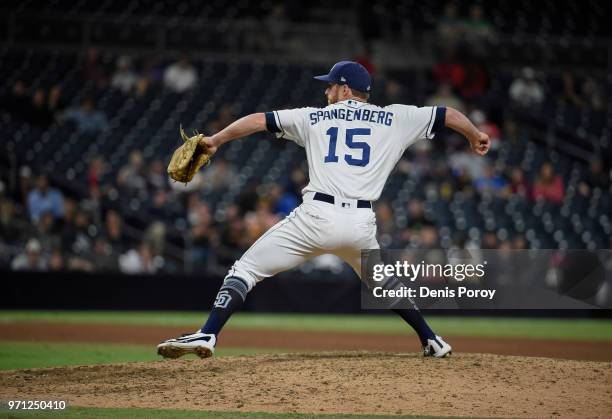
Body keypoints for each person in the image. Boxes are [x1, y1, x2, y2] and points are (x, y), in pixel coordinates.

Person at [157, 61, 490, 359]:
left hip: (317, 216)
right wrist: (474, 135)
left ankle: (209, 333)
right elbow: (446, 113)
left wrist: (216, 140)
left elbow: (260, 120)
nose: (327, 90)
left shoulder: (313, 116)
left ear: (344, 88)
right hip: (360, 224)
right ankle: (431, 339)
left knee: (246, 269)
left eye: (330, 84)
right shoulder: (396, 117)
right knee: (384, 284)